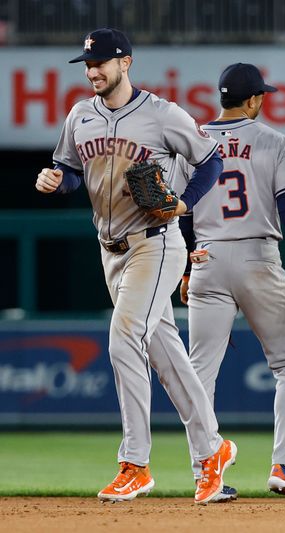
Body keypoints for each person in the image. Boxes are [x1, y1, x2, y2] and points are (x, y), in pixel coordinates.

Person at [34, 28, 236, 505]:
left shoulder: (162, 115)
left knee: (124, 336)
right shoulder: (80, 115)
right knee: (166, 355)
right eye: (87, 64)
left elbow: (210, 161)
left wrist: (184, 205)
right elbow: (70, 173)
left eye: (102, 62)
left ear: (126, 62)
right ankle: (212, 451)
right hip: (110, 249)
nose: (92, 71)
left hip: (156, 243)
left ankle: (135, 463)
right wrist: (55, 180)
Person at [173, 63, 285, 503]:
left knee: (199, 372)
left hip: (206, 257)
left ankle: (207, 475)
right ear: (255, 99)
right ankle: (284, 466)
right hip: (258, 256)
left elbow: (181, 211)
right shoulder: (272, 140)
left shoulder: (193, 141)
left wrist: (186, 266)